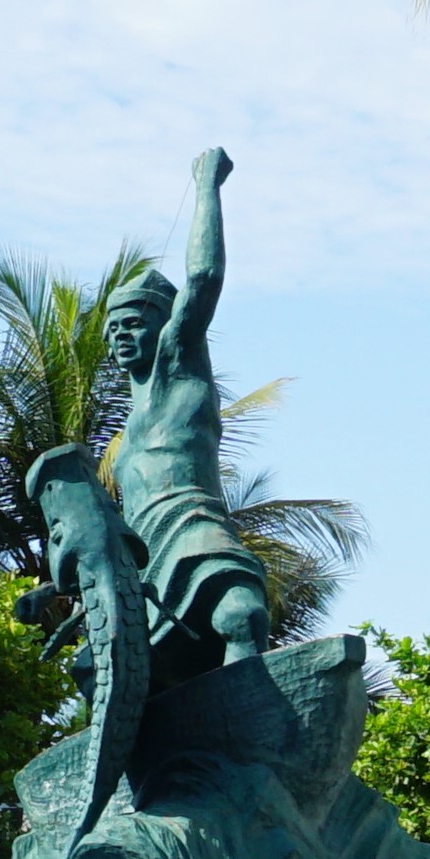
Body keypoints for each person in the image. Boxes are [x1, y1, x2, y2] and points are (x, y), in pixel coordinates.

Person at [101, 150, 273, 675]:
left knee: (241, 615)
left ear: (164, 325)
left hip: (195, 530)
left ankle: (249, 699)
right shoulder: (125, 433)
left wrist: (207, 187)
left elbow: (203, 277)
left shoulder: (180, 367)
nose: (121, 335)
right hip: (145, 564)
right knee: (118, 672)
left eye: (133, 323)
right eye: (113, 329)